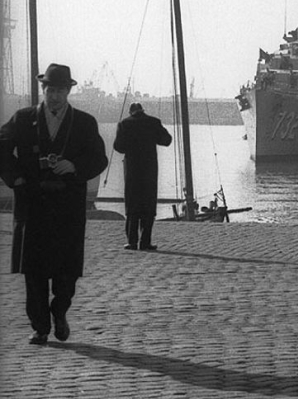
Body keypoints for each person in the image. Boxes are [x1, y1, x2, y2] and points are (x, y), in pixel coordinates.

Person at [0, 63, 108, 345]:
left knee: (66, 273)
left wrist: (75, 165)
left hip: (67, 208)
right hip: (33, 206)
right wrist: (16, 178)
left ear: (69, 91)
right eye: (51, 90)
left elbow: (99, 159)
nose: (55, 96)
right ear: (43, 89)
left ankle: (59, 311)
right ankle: (40, 327)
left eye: (61, 90)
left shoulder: (84, 123)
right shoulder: (23, 119)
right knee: (33, 272)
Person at [113, 102, 172, 251]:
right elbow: (167, 140)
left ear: (131, 112)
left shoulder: (124, 124)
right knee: (148, 204)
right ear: (143, 111)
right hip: (149, 169)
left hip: (132, 169)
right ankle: (145, 242)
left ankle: (132, 242)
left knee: (132, 205)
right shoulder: (153, 122)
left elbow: (118, 147)